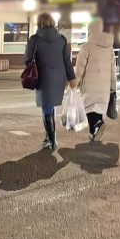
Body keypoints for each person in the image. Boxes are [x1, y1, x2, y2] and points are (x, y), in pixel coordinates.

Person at [24, 13, 77, 151]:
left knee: (46, 108)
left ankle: (52, 141)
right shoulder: (62, 39)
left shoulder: (34, 39)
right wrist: (72, 79)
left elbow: (27, 59)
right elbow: (67, 61)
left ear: (39, 23)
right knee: (50, 106)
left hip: (43, 77)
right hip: (59, 78)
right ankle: (49, 137)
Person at [75, 17, 116, 142]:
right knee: (97, 108)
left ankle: (98, 125)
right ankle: (94, 131)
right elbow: (113, 70)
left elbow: (80, 68)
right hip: (104, 87)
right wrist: (113, 86)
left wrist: (74, 82)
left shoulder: (86, 47)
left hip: (90, 86)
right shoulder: (109, 48)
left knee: (88, 107)